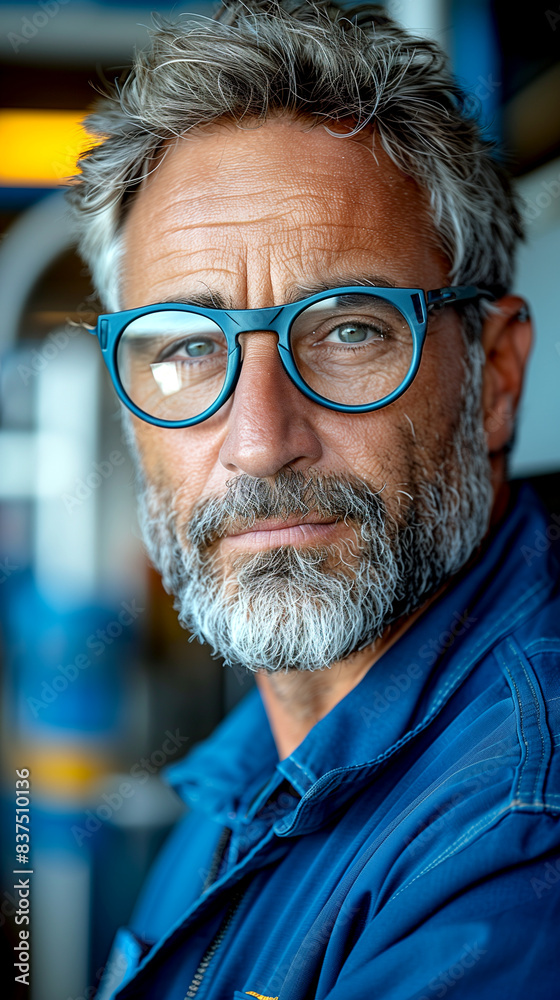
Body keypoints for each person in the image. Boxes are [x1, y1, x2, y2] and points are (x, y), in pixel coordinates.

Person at [68, 2, 560, 997]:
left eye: (346, 331)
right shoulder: (255, 751)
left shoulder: (513, 837)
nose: (259, 442)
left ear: (494, 375)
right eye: (186, 346)